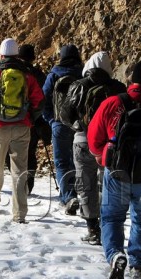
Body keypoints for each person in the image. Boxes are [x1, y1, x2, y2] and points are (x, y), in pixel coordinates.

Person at [88, 59, 141, 279]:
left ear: (132, 80)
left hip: (117, 173)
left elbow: (93, 138)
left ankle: (115, 256)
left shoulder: (113, 103)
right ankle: (138, 265)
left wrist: (102, 156)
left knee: (111, 217)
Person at [0, 38, 44, 222]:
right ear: (17, 55)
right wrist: (29, 117)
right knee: (20, 170)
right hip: (23, 127)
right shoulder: (28, 75)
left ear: (1, 54)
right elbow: (39, 101)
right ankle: (19, 213)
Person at [68, 51, 126, 245]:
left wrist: (79, 126)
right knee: (106, 184)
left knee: (85, 184)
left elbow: (66, 114)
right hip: (110, 143)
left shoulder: (78, 86)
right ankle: (107, 224)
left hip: (83, 140)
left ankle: (92, 228)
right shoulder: (118, 87)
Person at [43, 44, 83, 215]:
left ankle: (67, 196)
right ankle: (76, 193)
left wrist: (51, 120)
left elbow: (43, 99)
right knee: (76, 161)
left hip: (59, 124)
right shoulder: (83, 74)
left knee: (61, 162)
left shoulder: (54, 75)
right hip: (78, 125)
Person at [10, 44, 50, 195]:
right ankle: (28, 185)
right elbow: (43, 99)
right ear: (32, 58)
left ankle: (19, 181)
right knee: (30, 152)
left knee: (12, 152)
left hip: (12, 119)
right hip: (32, 120)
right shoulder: (39, 75)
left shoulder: (13, 72)